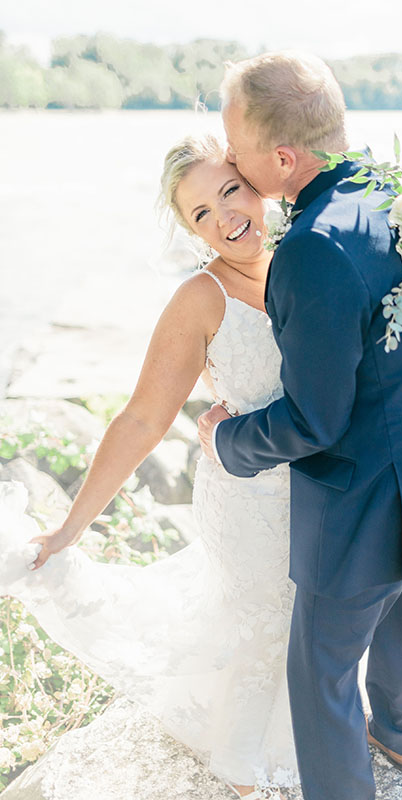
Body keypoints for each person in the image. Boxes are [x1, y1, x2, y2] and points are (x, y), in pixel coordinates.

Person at [197, 51, 402, 800]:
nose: (227, 158)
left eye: (235, 146)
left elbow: (313, 421)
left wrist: (227, 440)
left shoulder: (312, 248)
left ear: (282, 158)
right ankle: (401, 746)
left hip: (361, 505)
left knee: (318, 671)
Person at [0, 134, 299, 800]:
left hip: (322, 494)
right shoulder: (201, 298)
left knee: (314, 625)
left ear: (258, 180)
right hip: (248, 501)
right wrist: (70, 528)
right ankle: (242, 773)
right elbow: (142, 419)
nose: (225, 217)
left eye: (229, 190)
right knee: (264, 629)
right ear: (193, 233)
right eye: (200, 214)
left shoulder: (308, 260)